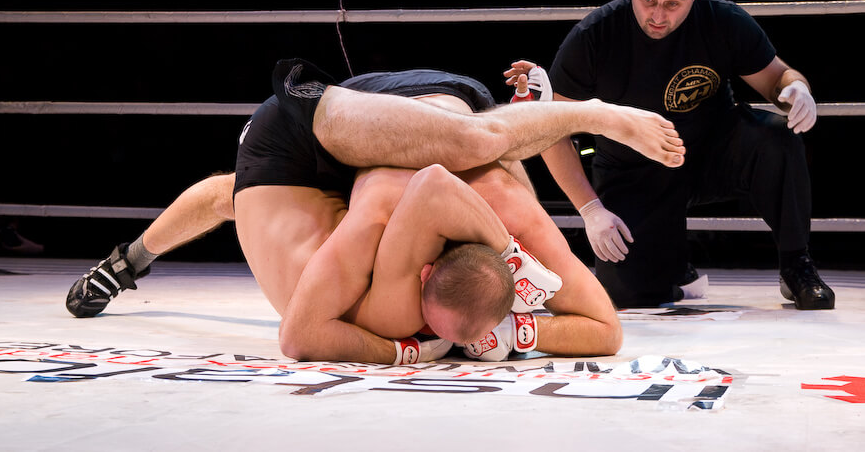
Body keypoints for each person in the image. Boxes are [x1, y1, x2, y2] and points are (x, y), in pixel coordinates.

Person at [67, 60, 682, 362]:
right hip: (317, 126)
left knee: (235, 196)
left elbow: (607, 332)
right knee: (474, 145)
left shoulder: (430, 247)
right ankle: (593, 112)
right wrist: (407, 351)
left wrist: (518, 331)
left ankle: (124, 263)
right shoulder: (408, 227)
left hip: (305, 163)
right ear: (425, 270)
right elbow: (433, 184)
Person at [505, 0, 833, 310]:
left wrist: (797, 90)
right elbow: (551, 129)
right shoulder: (594, 36)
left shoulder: (721, 18)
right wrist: (590, 209)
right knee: (626, 294)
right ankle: (672, 269)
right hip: (634, 170)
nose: (658, 15)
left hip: (712, 154)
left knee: (776, 135)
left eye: (673, 3)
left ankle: (796, 264)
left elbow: (777, 78)